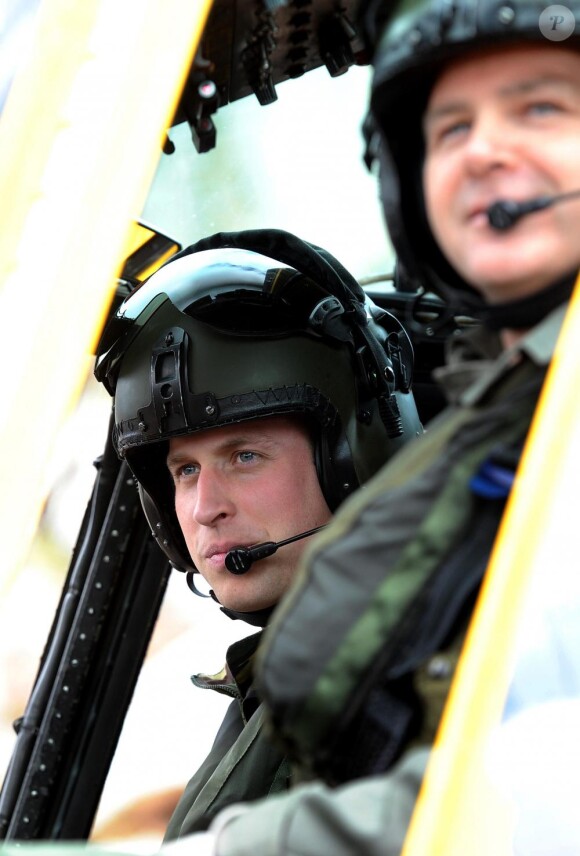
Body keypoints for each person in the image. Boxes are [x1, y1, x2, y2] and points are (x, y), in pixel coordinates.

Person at [158, 0, 580, 853]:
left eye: (539, 107)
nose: (484, 149)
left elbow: (550, 787)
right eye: (450, 128)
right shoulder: (522, 413)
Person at [93, 227, 422, 838]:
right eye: (184, 471)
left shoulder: (405, 678)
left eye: (244, 456)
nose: (203, 508)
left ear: (356, 454)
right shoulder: (282, 680)